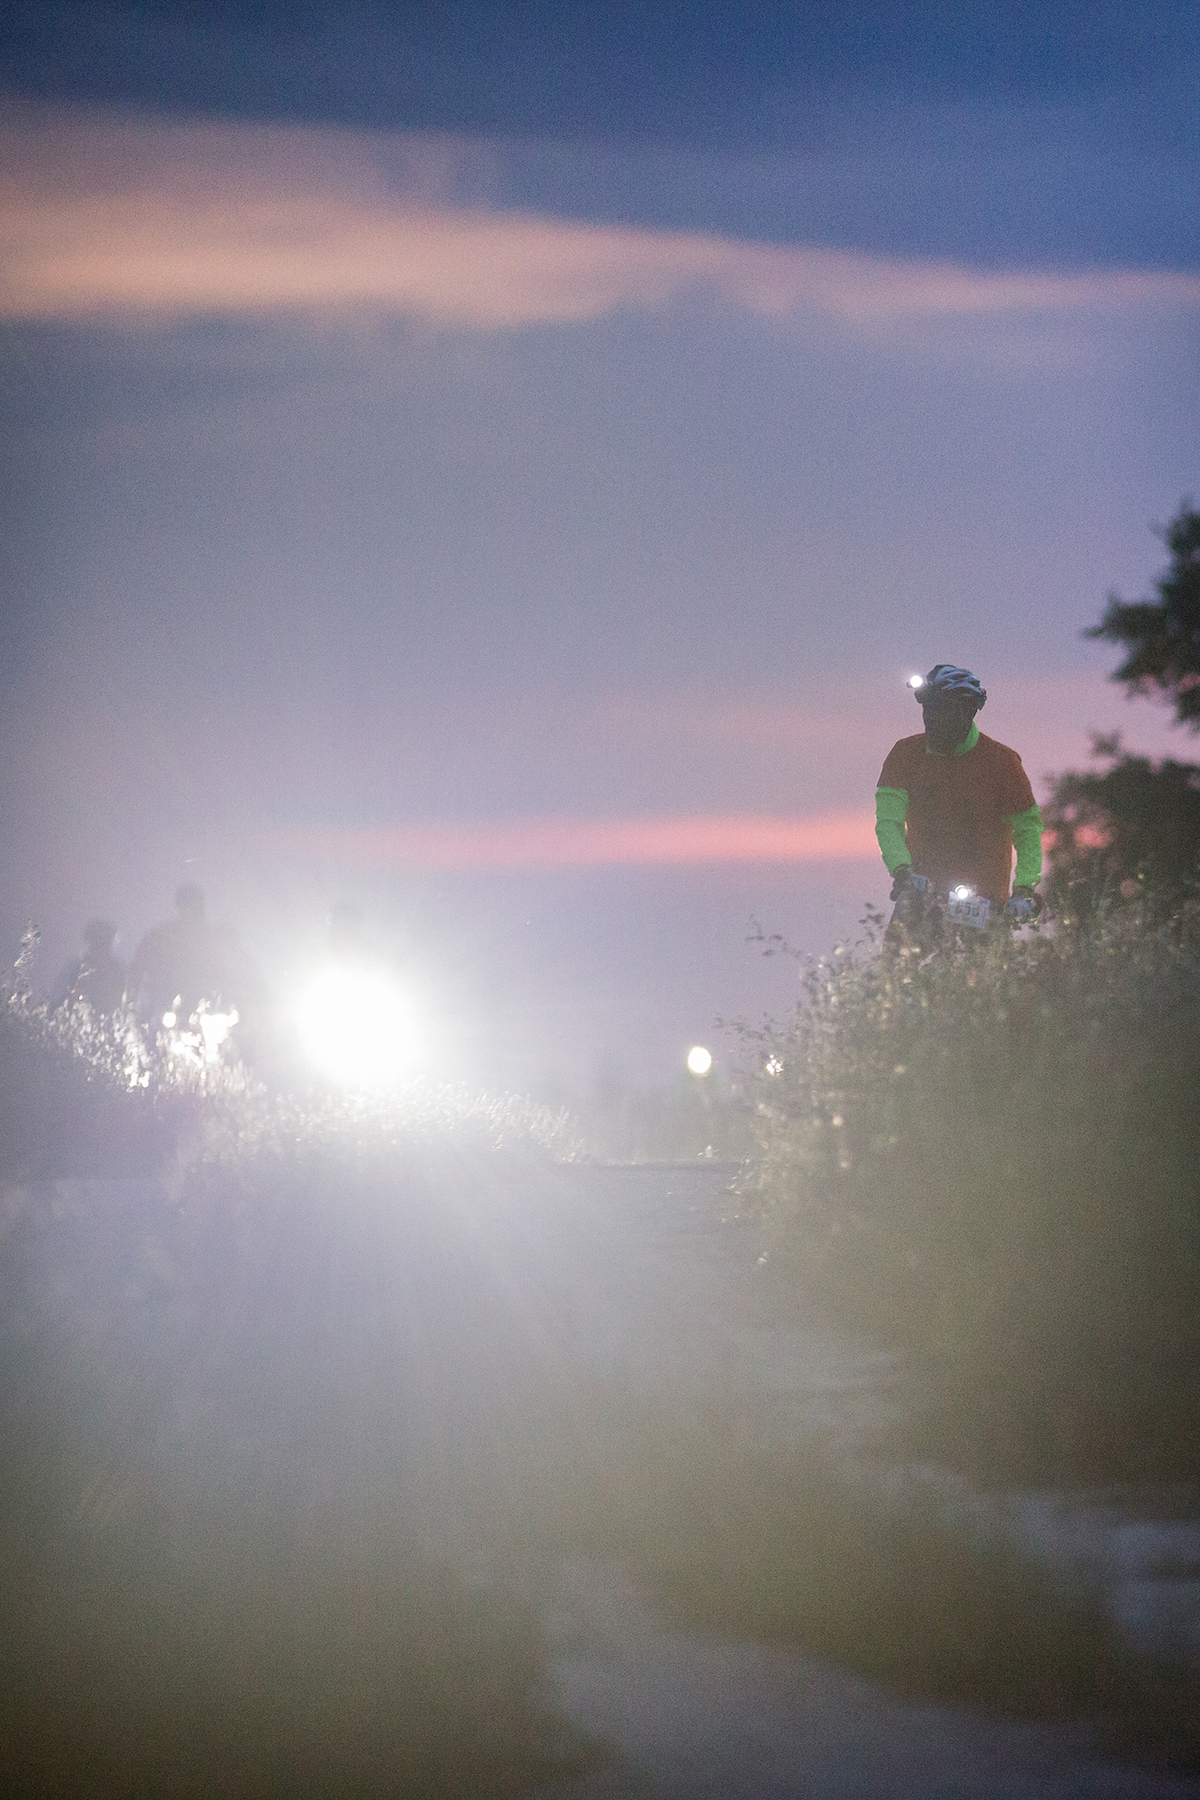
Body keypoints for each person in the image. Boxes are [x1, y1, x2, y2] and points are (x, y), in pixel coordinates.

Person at [875, 665, 1043, 946]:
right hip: (921, 892)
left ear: (967, 712)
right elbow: (888, 821)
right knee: (895, 972)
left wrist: (1025, 887)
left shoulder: (1002, 762)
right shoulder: (904, 754)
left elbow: (1028, 830)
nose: (930, 719)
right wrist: (901, 870)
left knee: (988, 980)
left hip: (985, 900)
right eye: (926, 709)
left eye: (940, 710)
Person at [127, 883, 225, 1021]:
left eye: (195, 905)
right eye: (188, 904)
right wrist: (133, 999)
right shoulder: (162, 934)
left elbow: (223, 971)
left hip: (201, 1003)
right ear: (180, 906)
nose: (192, 910)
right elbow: (138, 964)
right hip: (165, 1001)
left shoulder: (210, 938)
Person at [51, 918, 127, 1015]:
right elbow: (55, 1006)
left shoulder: (119, 972)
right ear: (89, 942)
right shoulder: (74, 969)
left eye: (105, 943)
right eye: (97, 941)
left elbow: (123, 1008)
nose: (101, 947)